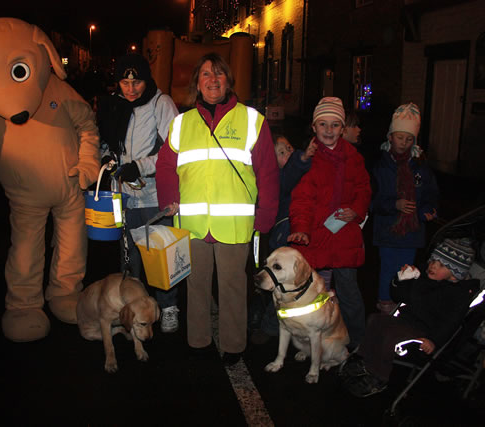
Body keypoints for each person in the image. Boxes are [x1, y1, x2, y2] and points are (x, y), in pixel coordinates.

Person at [156, 52, 279, 365]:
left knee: (233, 287)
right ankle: (198, 341)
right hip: (193, 222)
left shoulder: (252, 120)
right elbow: (166, 166)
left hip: (235, 225)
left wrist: (265, 216)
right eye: (206, 75)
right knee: (195, 286)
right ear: (197, 83)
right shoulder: (181, 124)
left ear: (229, 81)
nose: (212, 80)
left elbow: (267, 172)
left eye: (219, 74)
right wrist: (168, 198)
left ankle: (234, 346)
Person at [96, 53, 181, 333]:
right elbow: (108, 143)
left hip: (155, 193)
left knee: (160, 253)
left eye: (137, 82)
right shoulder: (113, 106)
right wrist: (106, 159)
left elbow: (174, 149)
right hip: (124, 193)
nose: (131, 89)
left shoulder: (161, 103)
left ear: (147, 80)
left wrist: (140, 166)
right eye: (125, 82)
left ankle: (168, 306)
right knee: (128, 255)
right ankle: (133, 308)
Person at [341, 238, 478, 397]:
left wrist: (433, 340)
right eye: (433, 260)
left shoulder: (458, 295)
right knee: (375, 320)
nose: (432, 265)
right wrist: (401, 279)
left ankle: (379, 377)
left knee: (391, 336)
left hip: (423, 331)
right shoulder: (424, 277)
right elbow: (400, 296)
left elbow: (450, 324)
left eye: (441, 265)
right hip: (405, 321)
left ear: (455, 274)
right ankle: (365, 360)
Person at [287, 97, 371, 351]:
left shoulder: (353, 158)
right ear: (314, 127)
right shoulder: (310, 160)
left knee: (349, 293)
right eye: (323, 124)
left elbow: (363, 189)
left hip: (344, 234)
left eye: (335, 125)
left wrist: (356, 210)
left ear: (343, 129)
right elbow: (301, 199)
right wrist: (300, 228)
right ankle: (308, 339)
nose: (328, 130)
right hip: (317, 236)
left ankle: (358, 341)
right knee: (313, 292)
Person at [371, 103, 439, 314]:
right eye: (400, 137)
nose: (404, 143)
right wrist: (394, 204)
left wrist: (427, 210)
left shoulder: (420, 167)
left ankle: (402, 302)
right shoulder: (380, 166)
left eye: (409, 139)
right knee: (388, 269)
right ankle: (384, 301)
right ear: (390, 137)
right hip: (388, 230)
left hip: (411, 232)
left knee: (407, 269)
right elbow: (372, 199)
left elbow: (431, 194)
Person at [249, 134, 316, 344]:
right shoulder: (279, 176)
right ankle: (270, 326)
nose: (288, 153)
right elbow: (288, 177)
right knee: (281, 285)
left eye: (289, 148)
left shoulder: (304, 169)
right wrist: (302, 158)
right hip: (284, 235)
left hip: (304, 233)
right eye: (281, 152)